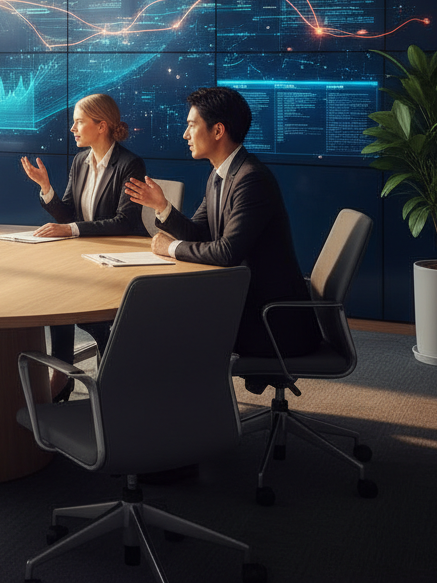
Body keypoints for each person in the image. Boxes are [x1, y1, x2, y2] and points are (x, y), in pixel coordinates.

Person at [125, 86, 320, 359]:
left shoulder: (251, 179)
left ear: (217, 131)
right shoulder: (221, 174)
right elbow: (198, 233)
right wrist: (162, 206)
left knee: (162, 324)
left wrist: (169, 248)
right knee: (160, 320)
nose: (185, 135)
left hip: (269, 321)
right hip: (242, 303)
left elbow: (227, 253)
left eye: (192, 126)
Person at [20, 93, 147, 396]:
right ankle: (62, 373)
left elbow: (123, 223)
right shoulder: (80, 161)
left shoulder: (130, 164)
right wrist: (46, 188)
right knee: (57, 299)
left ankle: (112, 386)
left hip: (119, 260)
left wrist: (70, 228)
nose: (72, 128)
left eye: (78, 122)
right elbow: (68, 212)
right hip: (87, 255)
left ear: (101, 125)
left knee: (92, 317)